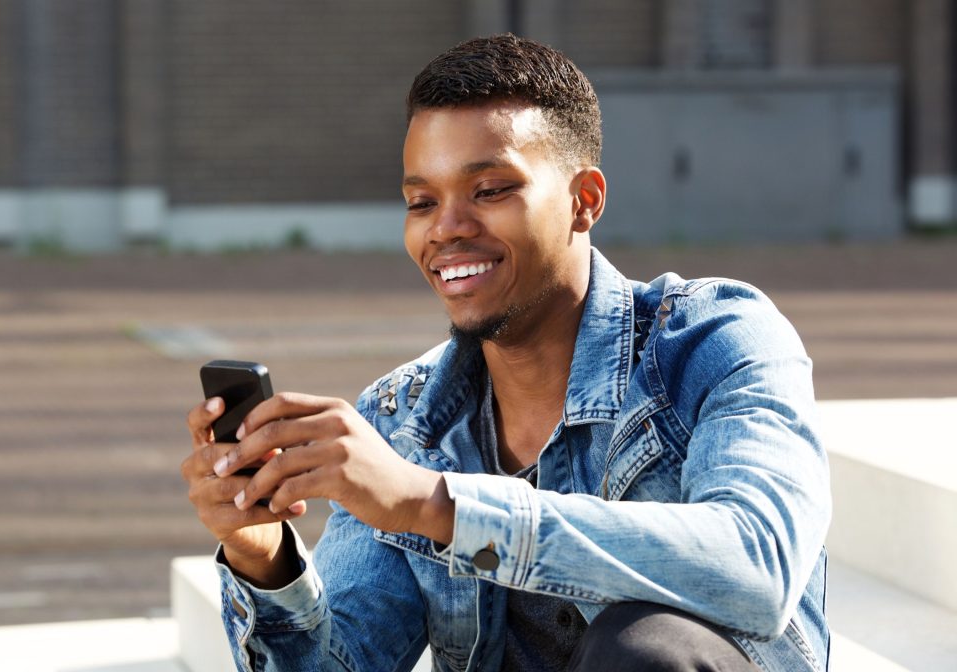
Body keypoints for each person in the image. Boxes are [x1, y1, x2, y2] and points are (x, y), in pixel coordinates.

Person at [182, 34, 831, 672]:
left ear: (585, 201)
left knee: (645, 646)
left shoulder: (710, 339)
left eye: (490, 190)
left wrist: (436, 505)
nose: (447, 227)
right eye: (421, 202)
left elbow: (759, 567)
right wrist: (264, 559)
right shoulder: (402, 420)